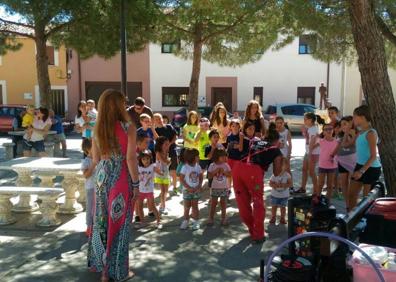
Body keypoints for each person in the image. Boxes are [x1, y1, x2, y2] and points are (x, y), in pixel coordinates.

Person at [87, 89, 139, 282]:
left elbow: (95, 158)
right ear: (119, 105)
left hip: (101, 176)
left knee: (101, 220)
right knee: (119, 223)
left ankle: (101, 269)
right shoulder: (128, 127)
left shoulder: (97, 127)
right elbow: (131, 158)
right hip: (121, 177)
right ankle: (116, 270)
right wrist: (136, 184)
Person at [232, 126, 283, 242]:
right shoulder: (275, 149)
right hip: (253, 172)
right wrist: (282, 159)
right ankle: (258, 234)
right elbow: (277, 172)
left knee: (242, 202)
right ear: (277, 140)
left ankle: (252, 230)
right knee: (257, 202)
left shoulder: (255, 141)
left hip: (237, 168)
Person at [348, 105, 382, 210]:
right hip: (360, 165)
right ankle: (351, 219)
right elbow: (351, 147)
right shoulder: (360, 132)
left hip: (371, 168)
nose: (353, 119)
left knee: (367, 201)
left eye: (355, 116)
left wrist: (361, 171)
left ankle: (366, 223)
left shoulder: (371, 133)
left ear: (362, 117)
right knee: (351, 195)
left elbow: (373, 156)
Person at [136, 150, 162, 229]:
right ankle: (142, 222)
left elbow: (160, 172)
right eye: (143, 159)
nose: (146, 161)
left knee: (152, 207)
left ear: (150, 159)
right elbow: (135, 176)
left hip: (149, 191)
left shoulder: (152, 167)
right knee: (139, 207)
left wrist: (159, 169)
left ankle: (159, 221)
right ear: (140, 160)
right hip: (140, 191)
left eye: (147, 159)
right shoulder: (138, 168)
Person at [336, 116, 357, 212]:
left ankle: (353, 205)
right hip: (342, 161)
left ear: (351, 123)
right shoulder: (340, 134)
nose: (343, 126)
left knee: (353, 184)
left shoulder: (355, 133)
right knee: (344, 183)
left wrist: (349, 134)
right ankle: (348, 205)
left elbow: (352, 144)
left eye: (345, 124)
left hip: (353, 162)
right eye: (341, 125)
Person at [179, 148, 203, 230]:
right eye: (197, 156)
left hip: (196, 190)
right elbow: (181, 179)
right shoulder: (185, 167)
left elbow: (201, 177)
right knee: (187, 206)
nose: (198, 157)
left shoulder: (198, 167)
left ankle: (196, 221)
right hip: (187, 191)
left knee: (195, 206)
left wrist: (199, 185)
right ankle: (186, 221)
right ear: (192, 157)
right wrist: (188, 188)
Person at [154, 113, 178, 193]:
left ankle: (175, 188)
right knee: (163, 172)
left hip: (172, 150)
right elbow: (157, 139)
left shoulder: (169, 126)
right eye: (156, 119)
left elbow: (175, 136)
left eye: (159, 118)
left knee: (173, 170)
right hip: (162, 154)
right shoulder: (155, 130)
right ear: (154, 121)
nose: (159, 120)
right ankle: (163, 191)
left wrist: (169, 144)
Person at [207, 148, 231, 226]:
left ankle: (223, 218)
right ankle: (211, 218)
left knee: (223, 203)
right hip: (215, 187)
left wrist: (224, 172)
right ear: (217, 156)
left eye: (225, 156)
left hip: (224, 187)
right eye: (222, 156)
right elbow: (209, 176)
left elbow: (230, 175)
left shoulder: (226, 165)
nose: (225, 158)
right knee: (214, 203)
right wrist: (215, 171)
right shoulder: (212, 165)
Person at [316, 123, 338, 201]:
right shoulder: (320, 141)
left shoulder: (336, 141)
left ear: (333, 130)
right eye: (326, 129)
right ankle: (318, 199)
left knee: (330, 185)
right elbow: (311, 146)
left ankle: (328, 200)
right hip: (322, 165)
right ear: (323, 132)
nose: (328, 131)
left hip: (332, 166)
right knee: (320, 184)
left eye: (330, 129)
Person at [299, 113, 320, 194]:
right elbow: (308, 140)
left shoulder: (314, 129)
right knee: (304, 169)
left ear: (311, 120)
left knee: (311, 172)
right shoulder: (310, 128)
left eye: (305, 119)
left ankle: (316, 190)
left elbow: (317, 142)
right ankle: (303, 188)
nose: (304, 121)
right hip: (308, 152)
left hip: (313, 153)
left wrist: (310, 152)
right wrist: (304, 132)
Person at [269, 157, 292, 225]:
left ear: (286, 166)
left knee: (283, 207)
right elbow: (270, 183)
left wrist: (284, 185)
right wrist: (274, 185)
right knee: (274, 206)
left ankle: (282, 218)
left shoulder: (287, 175)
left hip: (284, 195)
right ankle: (273, 217)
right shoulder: (274, 175)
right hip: (275, 195)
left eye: (282, 165)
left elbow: (290, 184)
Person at [81, 138, 95, 236]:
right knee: (90, 208)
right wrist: (93, 164)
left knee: (98, 208)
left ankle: (97, 226)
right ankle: (89, 227)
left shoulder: (100, 159)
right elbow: (86, 175)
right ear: (88, 149)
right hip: (91, 188)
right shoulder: (86, 161)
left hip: (99, 188)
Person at [275, 117, 293, 190]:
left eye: (281, 123)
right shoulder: (274, 131)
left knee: (287, 169)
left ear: (283, 123)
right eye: (277, 123)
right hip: (276, 153)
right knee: (277, 169)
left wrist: (289, 154)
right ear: (275, 123)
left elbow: (290, 144)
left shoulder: (286, 131)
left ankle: (291, 186)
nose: (279, 124)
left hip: (285, 153)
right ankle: (278, 184)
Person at [154, 136, 171, 215]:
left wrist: (168, 160)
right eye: (166, 144)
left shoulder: (166, 152)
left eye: (168, 144)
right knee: (163, 191)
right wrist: (168, 161)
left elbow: (167, 162)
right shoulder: (158, 153)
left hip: (166, 174)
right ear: (160, 145)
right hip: (159, 174)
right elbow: (165, 162)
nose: (168, 146)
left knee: (166, 191)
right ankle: (162, 206)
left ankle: (162, 205)